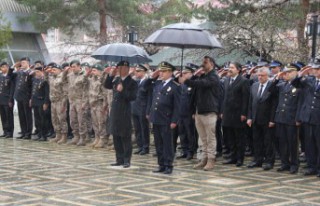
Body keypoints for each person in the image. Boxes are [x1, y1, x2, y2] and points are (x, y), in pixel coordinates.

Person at [180, 56, 222, 171]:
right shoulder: (203, 76)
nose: (203, 64)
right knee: (202, 138)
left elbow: (202, 84)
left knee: (210, 137)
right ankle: (203, 159)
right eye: (202, 62)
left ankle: (211, 160)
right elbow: (195, 90)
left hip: (209, 111)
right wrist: (194, 76)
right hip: (199, 110)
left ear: (212, 64)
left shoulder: (214, 76)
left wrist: (187, 81)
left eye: (205, 62)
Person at [147, 61, 180, 174]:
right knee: (158, 143)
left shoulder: (175, 87)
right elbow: (148, 88)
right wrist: (153, 75)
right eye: (161, 71)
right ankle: (161, 164)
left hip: (167, 119)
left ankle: (168, 165)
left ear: (170, 72)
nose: (161, 73)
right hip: (156, 118)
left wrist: (174, 120)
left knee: (167, 144)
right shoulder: (158, 84)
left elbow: (177, 106)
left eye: (164, 71)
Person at [104, 60, 138, 168]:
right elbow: (107, 85)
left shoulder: (132, 82)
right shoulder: (117, 80)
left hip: (124, 112)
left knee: (125, 137)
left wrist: (123, 91)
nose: (121, 69)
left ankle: (126, 160)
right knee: (116, 137)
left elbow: (132, 97)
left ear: (127, 69)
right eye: (119, 68)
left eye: (123, 68)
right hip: (115, 111)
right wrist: (111, 75)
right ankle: (119, 159)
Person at [269, 63, 301, 174]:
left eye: (288, 72)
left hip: (291, 118)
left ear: (295, 73)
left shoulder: (298, 86)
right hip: (281, 117)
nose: (286, 74)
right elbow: (271, 90)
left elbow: (300, 104)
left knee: (292, 143)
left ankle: (294, 164)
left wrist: (298, 118)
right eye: (285, 72)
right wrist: (277, 78)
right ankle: (284, 163)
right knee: (282, 142)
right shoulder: (282, 84)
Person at [291, 58, 320, 177]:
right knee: (309, 143)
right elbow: (295, 84)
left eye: (317, 69)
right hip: (308, 117)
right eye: (314, 69)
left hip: (318, 118)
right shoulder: (309, 80)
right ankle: (312, 166)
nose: (315, 71)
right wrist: (300, 74)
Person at [247, 67, 277, 170]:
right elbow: (250, 103)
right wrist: (249, 117)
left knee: (268, 141)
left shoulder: (272, 86)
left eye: (262, 75)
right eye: (258, 75)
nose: (260, 77)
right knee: (256, 140)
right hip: (255, 118)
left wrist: (272, 119)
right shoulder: (254, 86)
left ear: (267, 76)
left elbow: (274, 104)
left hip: (267, 119)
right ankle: (257, 159)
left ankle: (269, 161)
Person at [222, 62, 250, 167]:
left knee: (239, 138)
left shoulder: (243, 81)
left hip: (238, 114)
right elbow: (224, 97)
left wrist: (244, 113)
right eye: (229, 67)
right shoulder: (226, 80)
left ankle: (240, 159)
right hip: (228, 113)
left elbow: (245, 99)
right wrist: (222, 111)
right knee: (230, 138)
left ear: (238, 70)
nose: (230, 69)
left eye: (232, 68)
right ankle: (232, 157)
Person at [177, 63, 198, 160]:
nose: (184, 74)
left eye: (186, 73)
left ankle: (191, 151)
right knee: (182, 133)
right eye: (183, 73)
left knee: (190, 133)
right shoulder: (181, 85)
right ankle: (184, 150)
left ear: (191, 74)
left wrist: (194, 112)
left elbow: (195, 100)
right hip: (180, 112)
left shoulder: (194, 84)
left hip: (189, 113)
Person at [67, 60, 89, 146]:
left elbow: (86, 90)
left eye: (74, 66)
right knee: (73, 120)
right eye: (71, 67)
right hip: (72, 100)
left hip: (80, 100)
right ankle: (76, 136)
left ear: (79, 66)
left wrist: (84, 102)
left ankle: (83, 137)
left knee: (81, 120)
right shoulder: (70, 75)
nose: (73, 68)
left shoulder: (85, 75)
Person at [46, 63, 69, 144]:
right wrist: (47, 71)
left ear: (59, 70)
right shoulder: (51, 77)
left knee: (61, 119)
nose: (53, 71)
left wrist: (64, 103)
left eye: (54, 70)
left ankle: (64, 136)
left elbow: (65, 92)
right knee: (54, 119)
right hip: (53, 101)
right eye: (52, 70)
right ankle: (57, 135)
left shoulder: (62, 77)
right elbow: (45, 77)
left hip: (60, 101)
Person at [87, 64, 109, 148]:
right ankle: (97, 137)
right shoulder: (92, 79)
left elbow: (105, 93)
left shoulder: (102, 80)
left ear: (100, 71)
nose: (92, 72)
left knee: (101, 122)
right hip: (93, 103)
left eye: (94, 70)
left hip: (99, 103)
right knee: (95, 122)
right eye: (92, 70)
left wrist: (105, 105)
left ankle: (103, 139)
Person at [131, 64, 151, 155]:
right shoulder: (136, 82)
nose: (136, 73)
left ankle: (145, 147)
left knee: (144, 128)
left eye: (138, 71)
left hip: (143, 108)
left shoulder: (147, 82)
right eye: (136, 71)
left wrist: (148, 111)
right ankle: (140, 146)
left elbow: (149, 97)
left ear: (144, 72)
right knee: (137, 128)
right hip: (135, 108)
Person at [12, 57, 33, 139]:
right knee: (21, 115)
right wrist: (14, 66)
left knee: (27, 115)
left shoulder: (31, 72)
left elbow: (32, 86)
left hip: (27, 96)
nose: (22, 64)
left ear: (28, 63)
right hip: (19, 96)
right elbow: (10, 74)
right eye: (21, 62)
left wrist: (31, 98)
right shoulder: (19, 72)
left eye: (24, 62)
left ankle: (28, 132)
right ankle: (23, 132)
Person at [30, 66, 50, 141]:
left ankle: (43, 135)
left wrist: (46, 103)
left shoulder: (45, 81)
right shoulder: (35, 80)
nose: (36, 73)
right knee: (37, 119)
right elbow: (33, 91)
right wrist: (31, 99)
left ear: (42, 72)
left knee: (43, 119)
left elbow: (46, 93)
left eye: (38, 72)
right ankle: (39, 134)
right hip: (35, 101)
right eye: (36, 72)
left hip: (41, 102)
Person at [0, 62, 14, 138]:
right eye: (2, 67)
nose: (3, 68)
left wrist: (10, 100)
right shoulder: (0, 76)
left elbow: (12, 89)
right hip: (1, 99)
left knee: (9, 116)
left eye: (5, 67)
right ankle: (5, 131)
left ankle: (10, 132)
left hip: (7, 99)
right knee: (3, 116)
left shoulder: (10, 77)